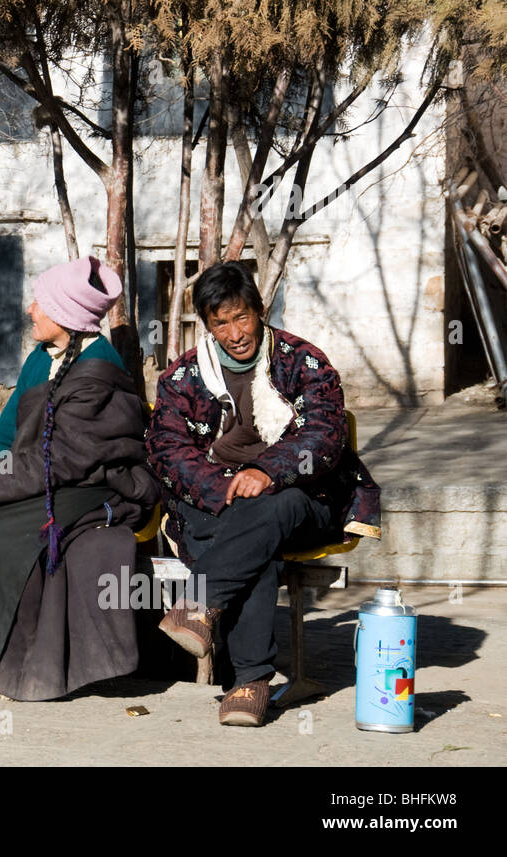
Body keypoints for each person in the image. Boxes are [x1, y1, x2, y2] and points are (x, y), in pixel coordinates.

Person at [0, 257, 158, 700]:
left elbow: (61, 462)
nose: (31, 310)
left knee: (4, 540)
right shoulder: (43, 358)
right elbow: (6, 433)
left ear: (66, 316)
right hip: (40, 478)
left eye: (40, 302)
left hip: (90, 486)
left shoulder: (98, 370)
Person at [147, 261, 381, 726]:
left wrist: (268, 473)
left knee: (275, 509)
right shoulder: (183, 377)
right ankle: (251, 681)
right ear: (207, 326)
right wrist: (223, 487)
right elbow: (166, 448)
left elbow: (324, 434)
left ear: (259, 310)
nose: (235, 332)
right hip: (215, 502)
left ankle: (200, 607)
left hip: (300, 496)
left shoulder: (303, 362)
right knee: (254, 536)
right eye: (221, 322)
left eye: (242, 317)